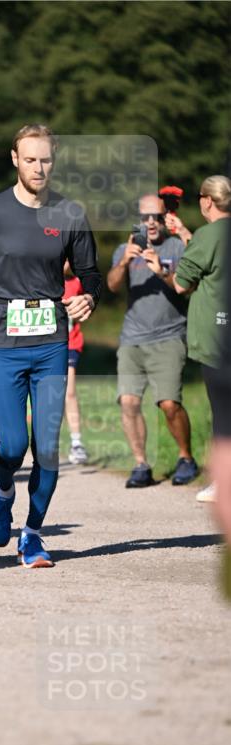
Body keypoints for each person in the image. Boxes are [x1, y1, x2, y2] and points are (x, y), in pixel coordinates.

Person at [0, 123, 101, 567]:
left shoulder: (70, 213)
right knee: (13, 445)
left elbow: (89, 270)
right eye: (31, 159)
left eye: (46, 159)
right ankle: (2, 493)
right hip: (3, 341)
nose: (39, 167)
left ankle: (33, 535)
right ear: (15, 159)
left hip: (51, 341)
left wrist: (88, 295)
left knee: (48, 447)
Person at [144, 175, 231, 503]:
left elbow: (182, 283)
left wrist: (158, 269)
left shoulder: (208, 235)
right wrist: (182, 233)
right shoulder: (213, 235)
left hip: (217, 337)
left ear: (208, 201)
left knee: (223, 412)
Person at [107, 193, 199, 488]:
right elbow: (111, 285)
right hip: (132, 338)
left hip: (169, 335)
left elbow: (189, 287)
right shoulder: (126, 248)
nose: (150, 223)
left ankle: (186, 458)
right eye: (145, 217)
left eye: (156, 217)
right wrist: (123, 262)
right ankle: (141, 465)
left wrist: (161, 271)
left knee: (169, 404)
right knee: (129, 403)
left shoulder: (177, 247)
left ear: (165, 219)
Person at [63, 262, 88, 465]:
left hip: (71, 342)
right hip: (45, 344)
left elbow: (87, 307)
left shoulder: (76, 283)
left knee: (69, 392)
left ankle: (76, 442)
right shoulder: (39, 281)